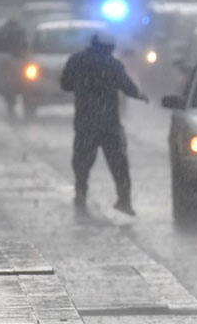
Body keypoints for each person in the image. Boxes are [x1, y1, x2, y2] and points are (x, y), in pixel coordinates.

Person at [60, 33, 148, 215]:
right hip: (109, 123)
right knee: (118, 162)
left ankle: (81, 191)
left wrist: (83, 87)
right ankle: (124, 199)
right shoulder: (112, 64)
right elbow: (126, 85)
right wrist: (139, 94)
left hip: (85, 121)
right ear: (109, 48)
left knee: (82, 159)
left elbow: (65, 84)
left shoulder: (76, 60)